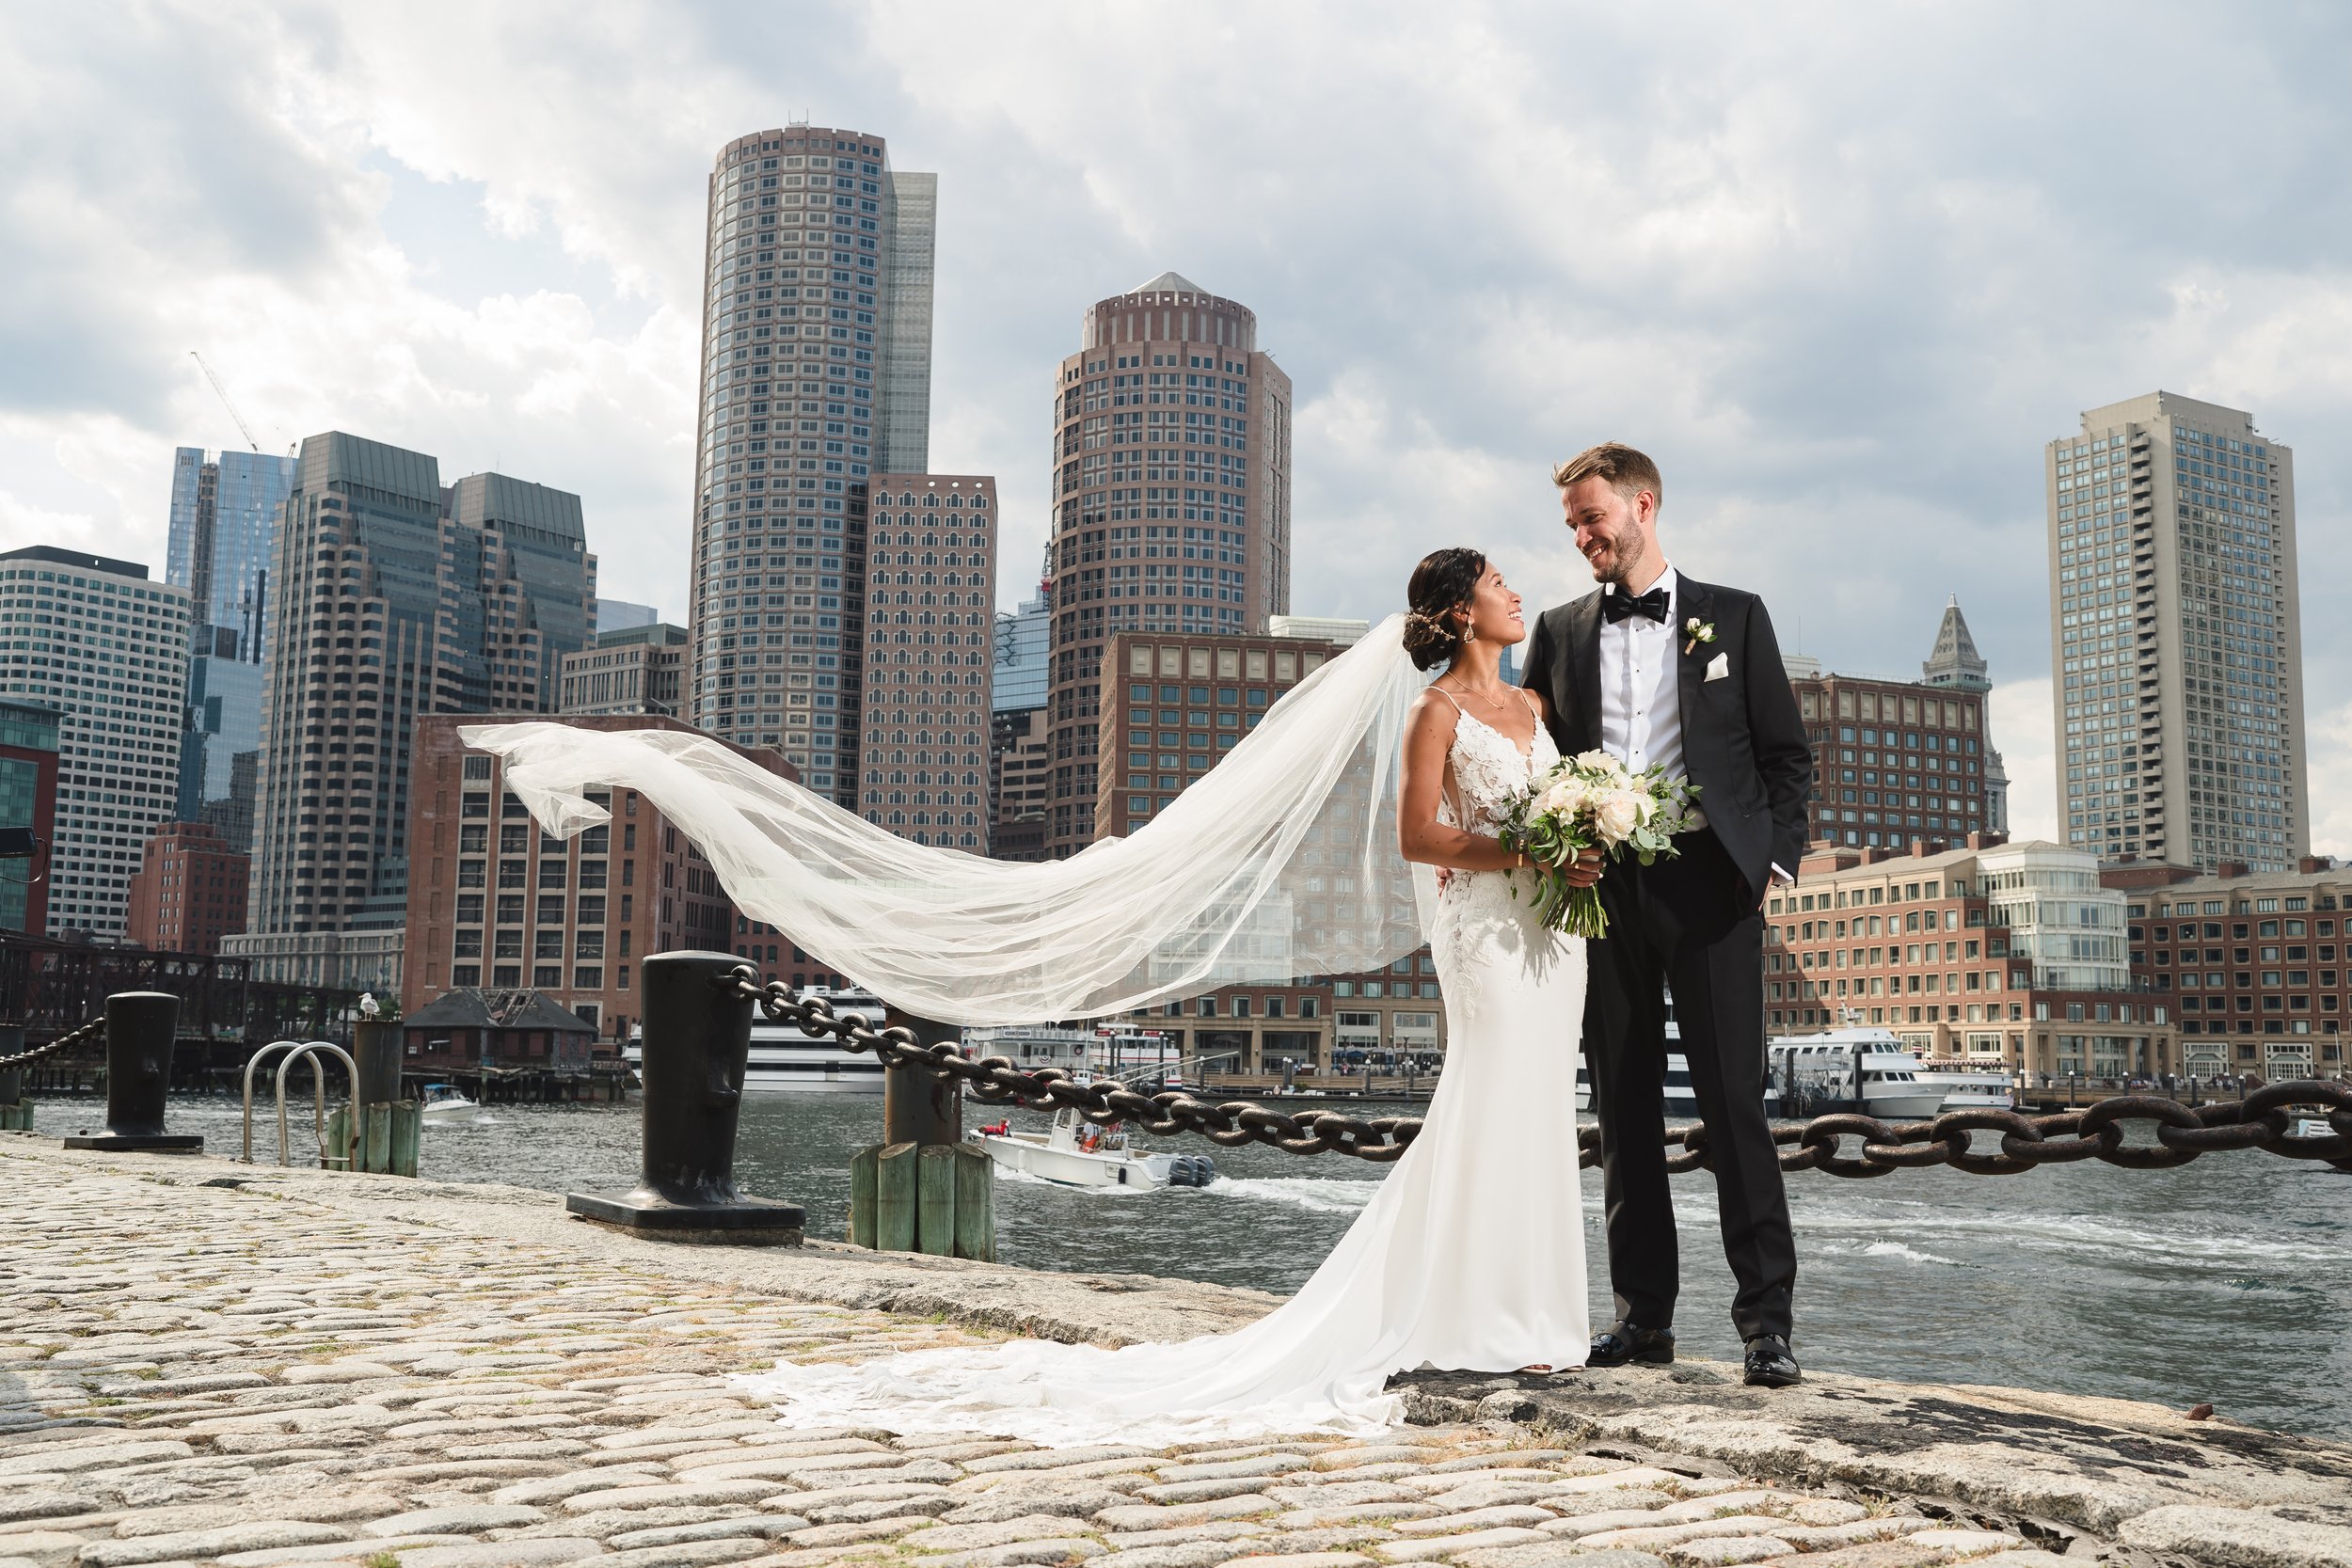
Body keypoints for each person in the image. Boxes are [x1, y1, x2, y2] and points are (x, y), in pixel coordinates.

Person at [1520, 441, 1814, 1389]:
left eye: (1591, 516)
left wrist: (1768, 861)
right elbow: (1539, 765)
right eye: (1570, 523)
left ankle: (1765, 1326)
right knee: (1624, 1108)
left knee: (1734, 1106)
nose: (1580, 536)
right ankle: (1640, 1317)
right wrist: (1563, 843)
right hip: (1602, 894)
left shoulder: (1734, 615)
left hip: (1712, 888)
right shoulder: (1560, 633)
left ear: (1643, 505)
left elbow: (1784, 755)